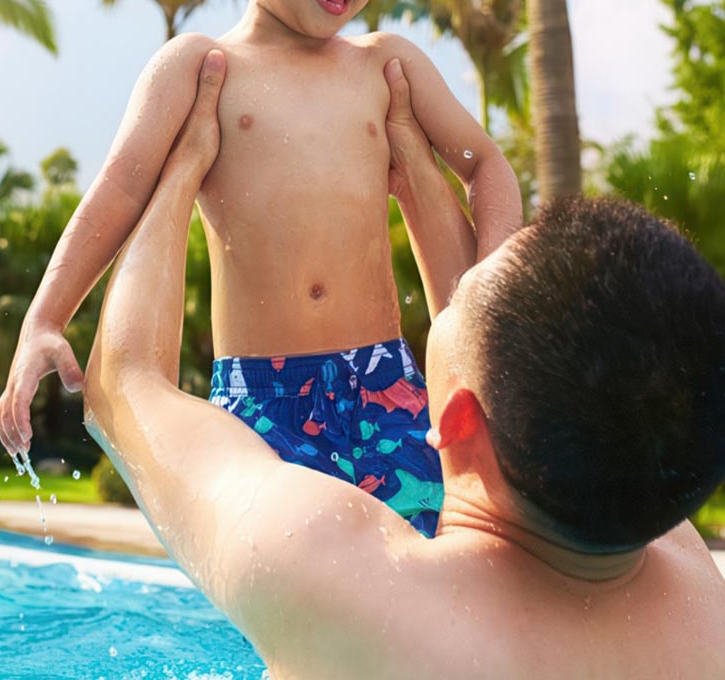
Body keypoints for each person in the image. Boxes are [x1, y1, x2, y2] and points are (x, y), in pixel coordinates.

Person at [82, 50, 725, 680]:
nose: (454, 288)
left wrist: (181, 170)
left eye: (459, 303)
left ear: (461, 422)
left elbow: (124, 383)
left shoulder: (359, 591)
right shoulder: (698, 590)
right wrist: (417, 166)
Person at [0, 0, 522, 531]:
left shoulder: (383, 64)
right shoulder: (201, 66)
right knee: (286, 583)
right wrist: (44, 319)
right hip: (261, 395)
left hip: (385, 384)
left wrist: (495, 298)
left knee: (431, 564)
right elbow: (119, 189)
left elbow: (485, 164)